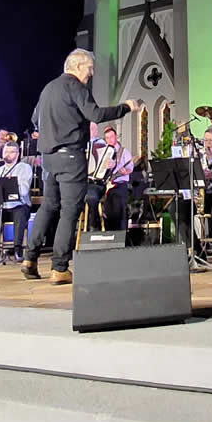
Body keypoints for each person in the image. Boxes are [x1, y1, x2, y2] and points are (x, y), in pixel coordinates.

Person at [22, 49, 138, 285]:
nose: (92, 73)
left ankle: (29, 259)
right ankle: (59, 267)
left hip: (49, 157)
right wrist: (125, 107)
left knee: (48, 206)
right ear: (77, 65)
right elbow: (94, 114)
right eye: (89, 68)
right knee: (69, 211)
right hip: (71, 158)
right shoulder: (75, 86)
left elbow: (36, 119)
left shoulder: (48, 89)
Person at [0, 141, 32, 262]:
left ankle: (17, 249)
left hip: (19, 204)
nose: (8, 155)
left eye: (11, 152)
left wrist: (11, 185)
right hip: (2, 206)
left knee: (20, 214)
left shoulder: (25, 168)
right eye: (6, 152)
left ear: (17, 154)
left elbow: (24, 191)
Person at [97, 126, 133, 231]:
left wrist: (124, 171)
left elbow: (130, 167)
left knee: (118, 205)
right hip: (105, 184)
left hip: (120, 184)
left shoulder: (124, 152)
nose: (109, 140)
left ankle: (121, 234)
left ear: (116, 137)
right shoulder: (103, 152)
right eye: (107, 138)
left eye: (111, 137)